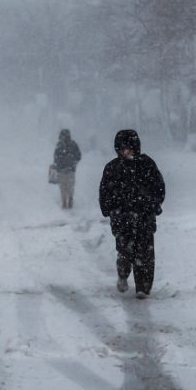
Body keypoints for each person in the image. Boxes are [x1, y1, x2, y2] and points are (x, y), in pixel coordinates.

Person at [98, 129, 165, 299]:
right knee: (125, 250)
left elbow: (159, 186)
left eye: (128, 148)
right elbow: (104, 191)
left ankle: (143, 287)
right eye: (122, 148)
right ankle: (123, 273)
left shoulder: (146, 164)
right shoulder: (113, 168)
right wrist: (108, 208)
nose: (125, 151)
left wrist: (154, 203)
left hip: (144, 216)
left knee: (146, 252)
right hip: (122, 218)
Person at [52, 128, 82, 209]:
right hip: (67, 169)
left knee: (65, 186)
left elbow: (78, 156)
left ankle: (68, 200)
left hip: (67, 169)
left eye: (62, 135)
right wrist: (73, 162)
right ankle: (65, 201)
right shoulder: (69, 144)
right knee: (66, 186)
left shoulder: (67, 145)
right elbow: (56, 156)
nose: (62, 137)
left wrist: (72, 162)